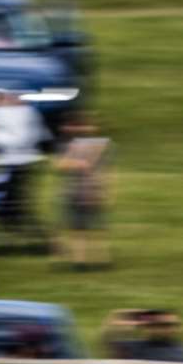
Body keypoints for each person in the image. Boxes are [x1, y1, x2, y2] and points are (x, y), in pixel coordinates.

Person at [0, 90, 47, 248]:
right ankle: (15, 236)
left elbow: (17, 140)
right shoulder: (25, 112)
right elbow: (38, 136)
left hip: (14, 164)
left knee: (8, 205)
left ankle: (23, 238)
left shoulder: (11, 113)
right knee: (9, 204)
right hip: (12, 163)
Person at [53, 113, 110, 270]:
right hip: (72, 191)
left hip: (91, 190)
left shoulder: (99, 144)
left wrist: (105, 188)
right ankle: (77, 261)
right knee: (74, 228)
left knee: (94, 228)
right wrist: (78, 163)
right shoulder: (66, 144)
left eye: (86, 126)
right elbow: (59, 165)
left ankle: (97, 260)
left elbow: (106, 169)